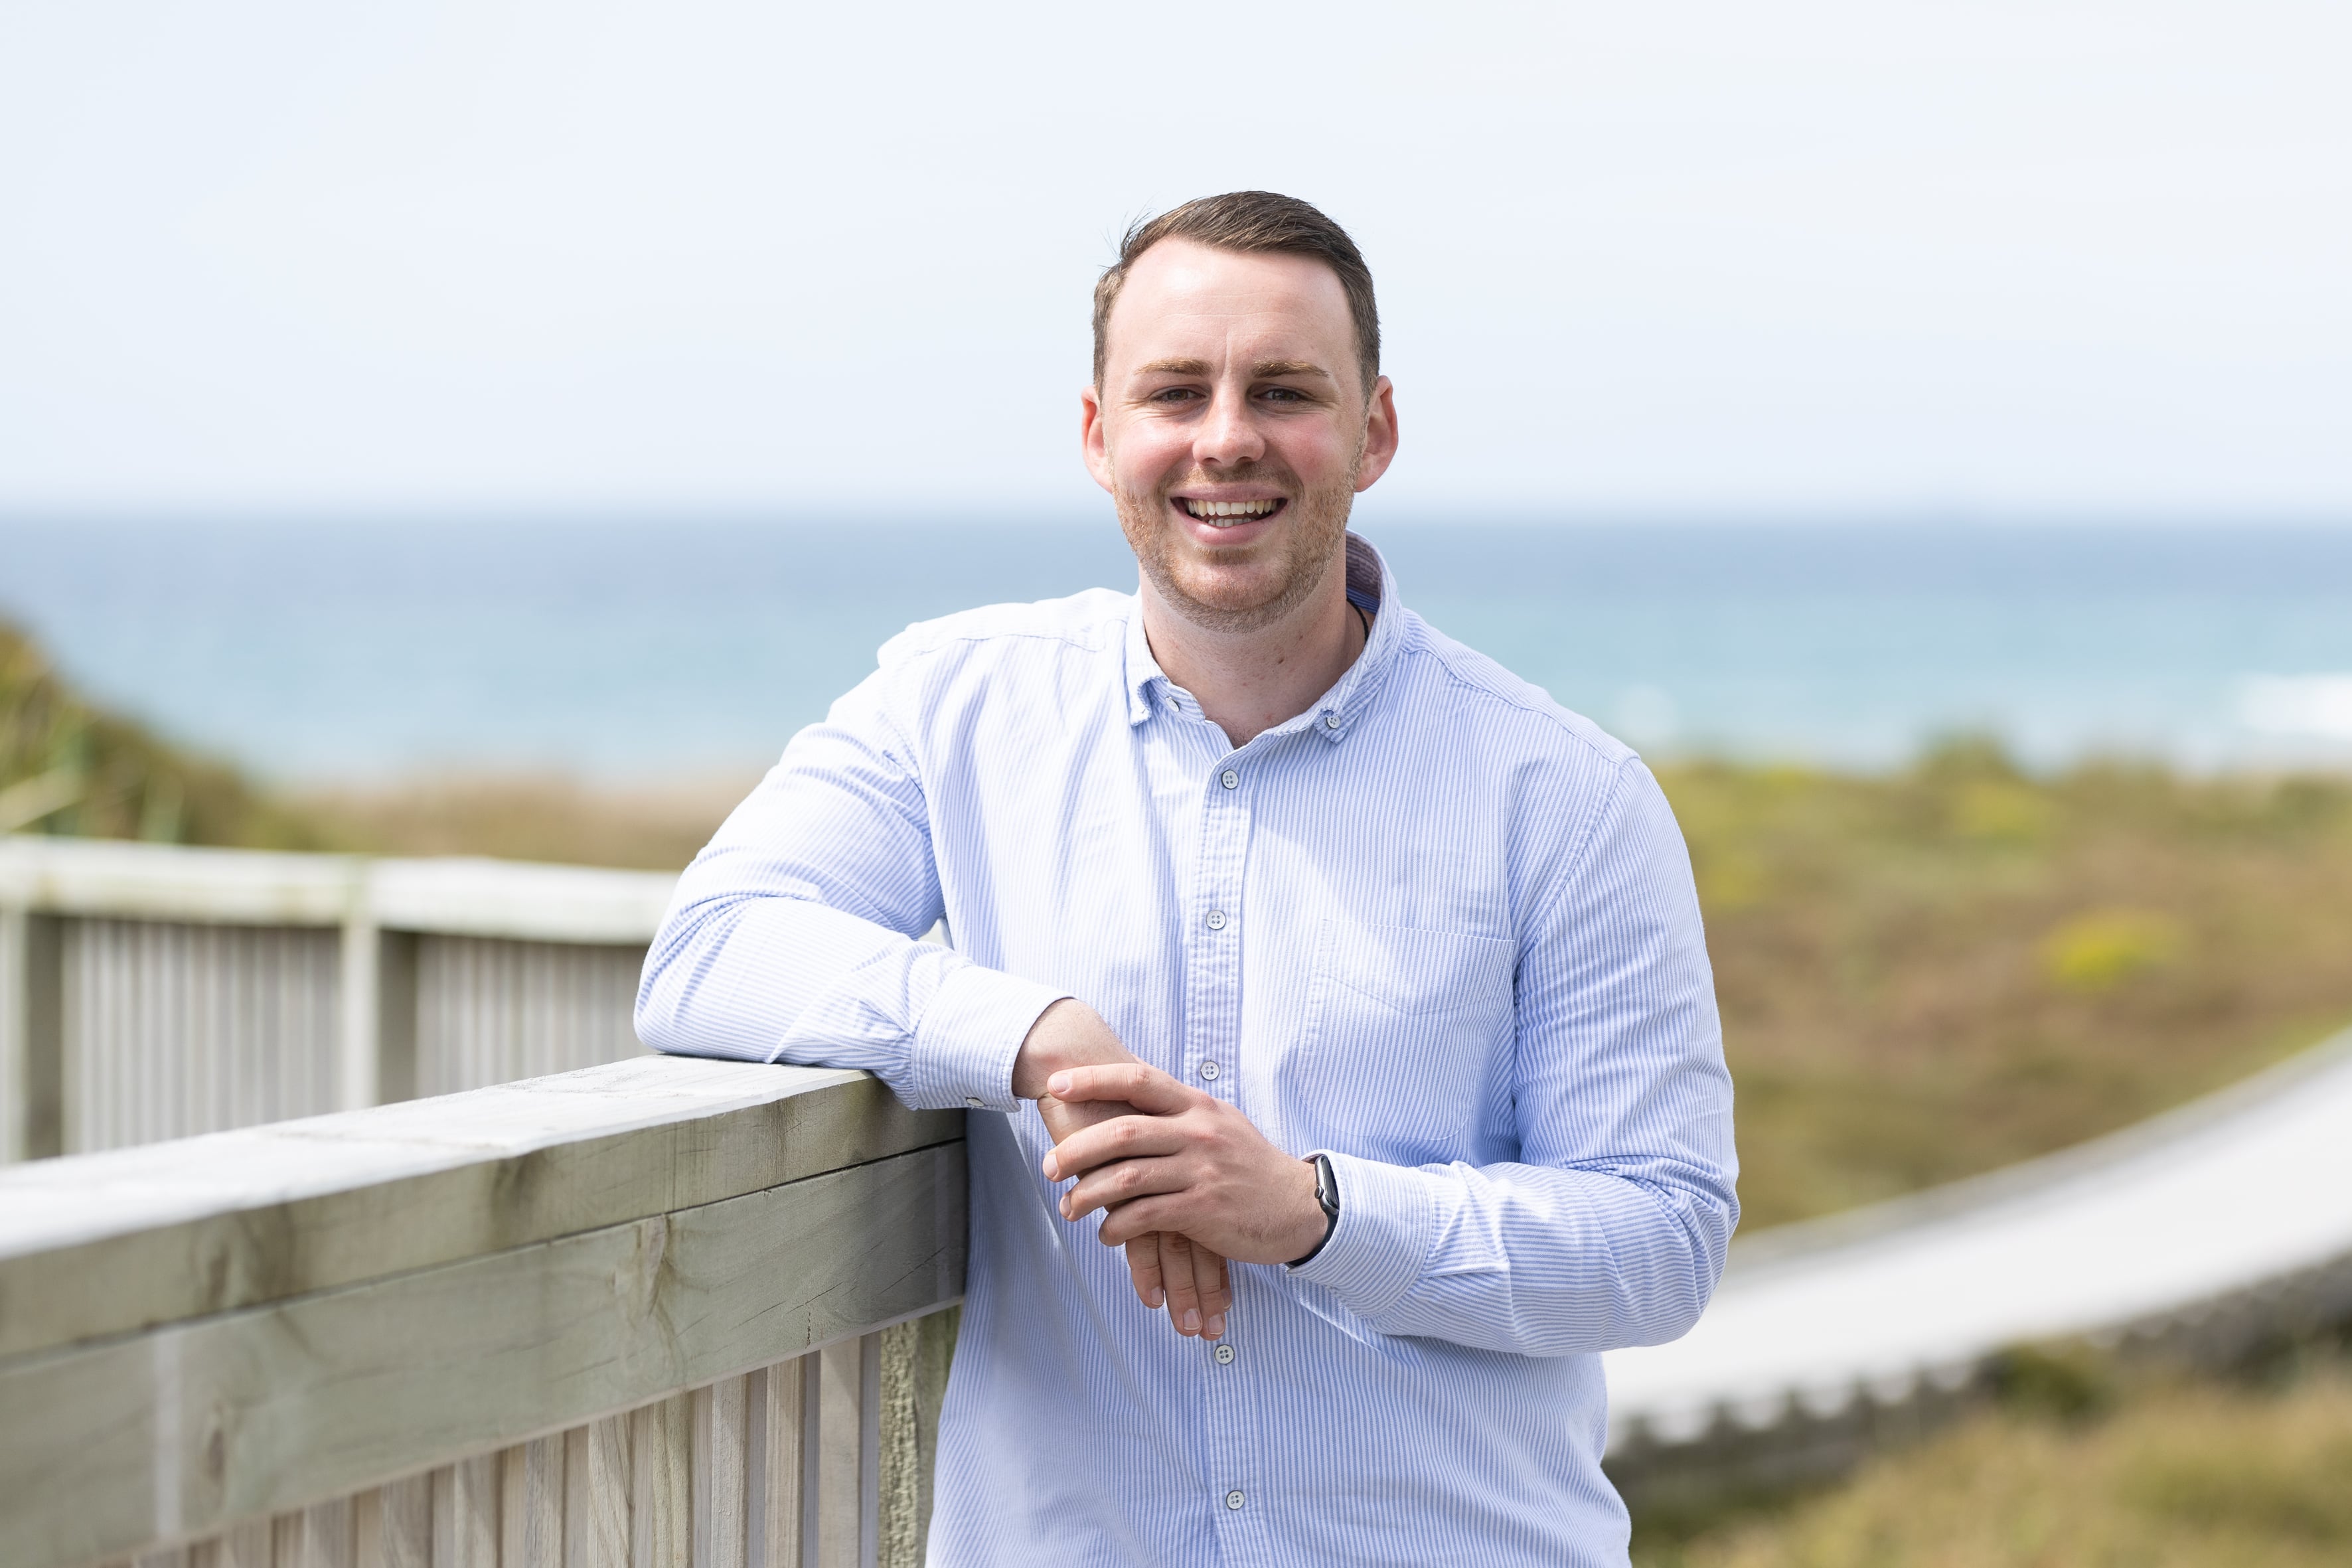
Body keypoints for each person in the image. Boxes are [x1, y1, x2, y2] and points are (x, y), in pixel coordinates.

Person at [637, 190, 1737, 1567]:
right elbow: (709, 946)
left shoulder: (1565, 795)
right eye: (1175, 391)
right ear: (1099, 435)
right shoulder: (952, 701)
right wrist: (1031, 1035)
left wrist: (1315, 1212)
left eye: (1283, 389)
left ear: (1373, 431)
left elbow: (1658, 1233)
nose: (1225, 438)